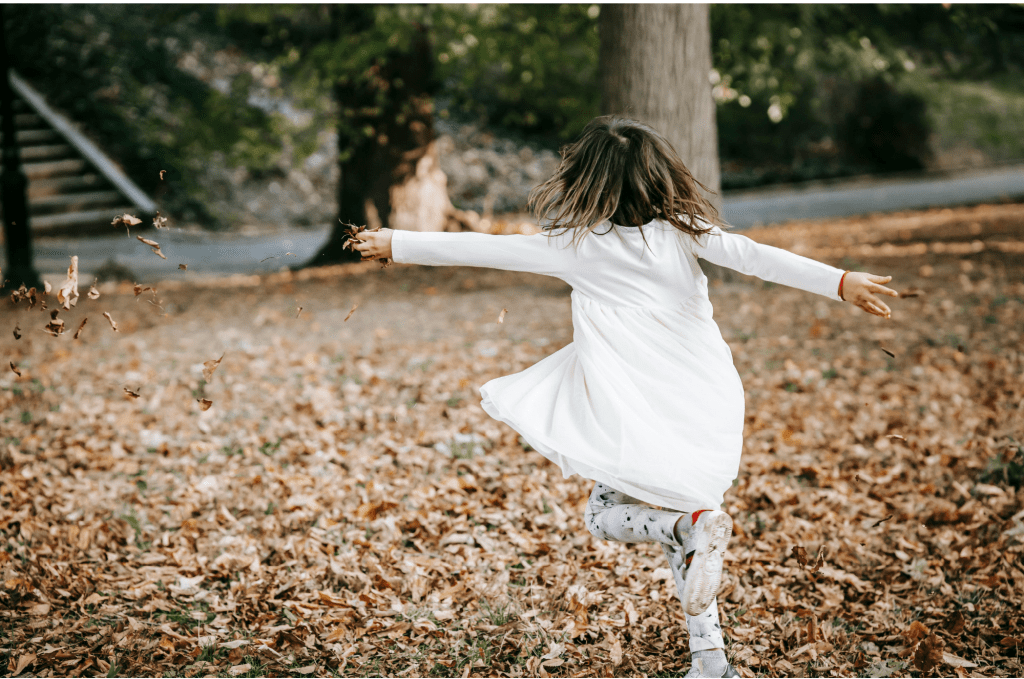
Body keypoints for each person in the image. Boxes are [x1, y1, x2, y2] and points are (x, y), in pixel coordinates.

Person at [352, 116, 898, 677]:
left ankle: (686, 538)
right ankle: (709, 656)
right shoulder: (686, 230)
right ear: (659, 177)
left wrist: (397, 242)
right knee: (690, 508)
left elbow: (488, 248)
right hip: (703, 395)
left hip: (631, 405)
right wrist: (839, 281)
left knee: (609, 514)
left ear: (587, 182)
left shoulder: (576, 247)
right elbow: (754, 256)